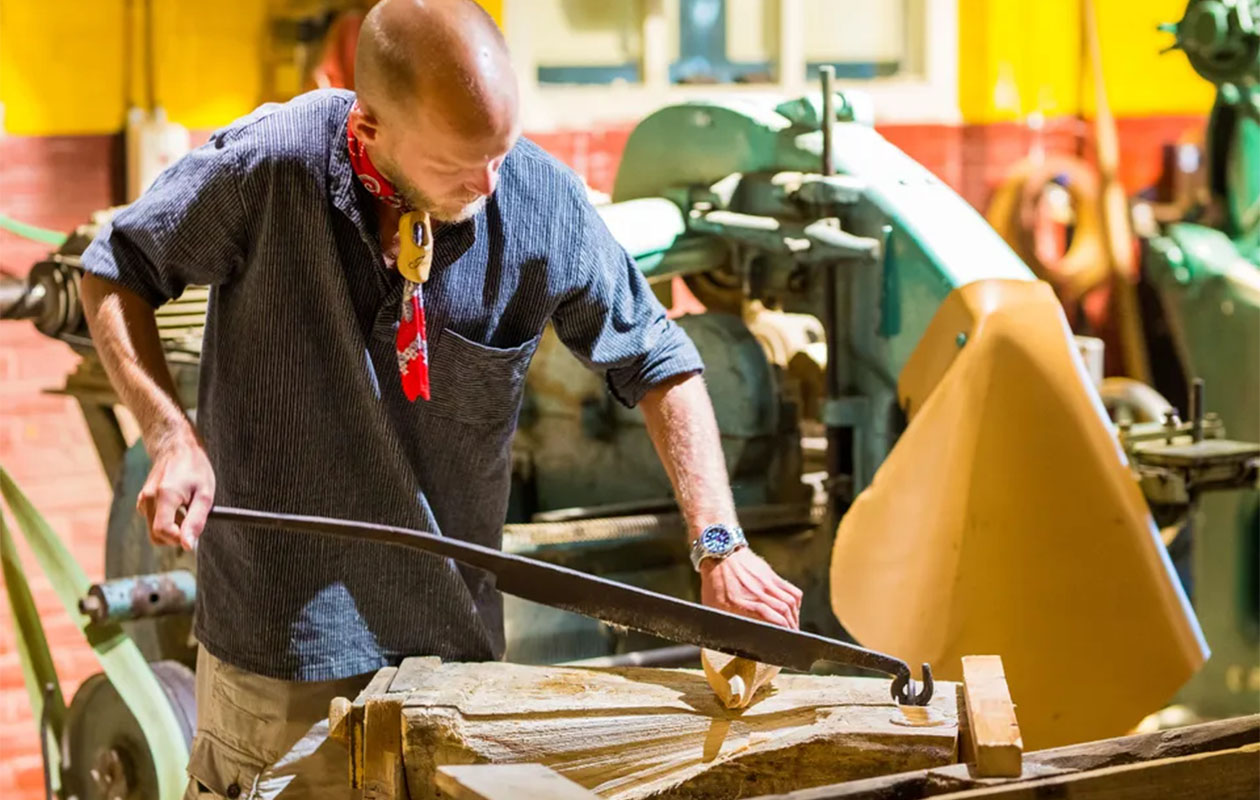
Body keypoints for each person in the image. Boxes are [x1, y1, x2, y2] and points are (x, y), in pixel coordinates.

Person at [79, 0, 802, 796]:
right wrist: (169, 434)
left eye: (498, 151)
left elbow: (661, 359)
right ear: (368, 132)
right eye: (460, 165)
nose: (489, 185)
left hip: (452, 656)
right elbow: (114, 270)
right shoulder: (272, 164)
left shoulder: (535, 199)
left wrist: (720, 545)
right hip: (278, 657)